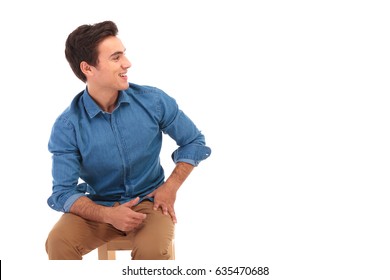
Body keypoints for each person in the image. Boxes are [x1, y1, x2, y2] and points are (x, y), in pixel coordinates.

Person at [45, 20, 211, 260]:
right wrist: (107, 214)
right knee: (59, 242)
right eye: (116, 57)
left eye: (124, 54)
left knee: (151, 251)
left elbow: (194, 142)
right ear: (88, 68)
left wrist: (170, 187)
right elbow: (62, 193)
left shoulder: (153, 101)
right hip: (99, 206)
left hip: (150, 202)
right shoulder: (67, 126)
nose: (127, 63)